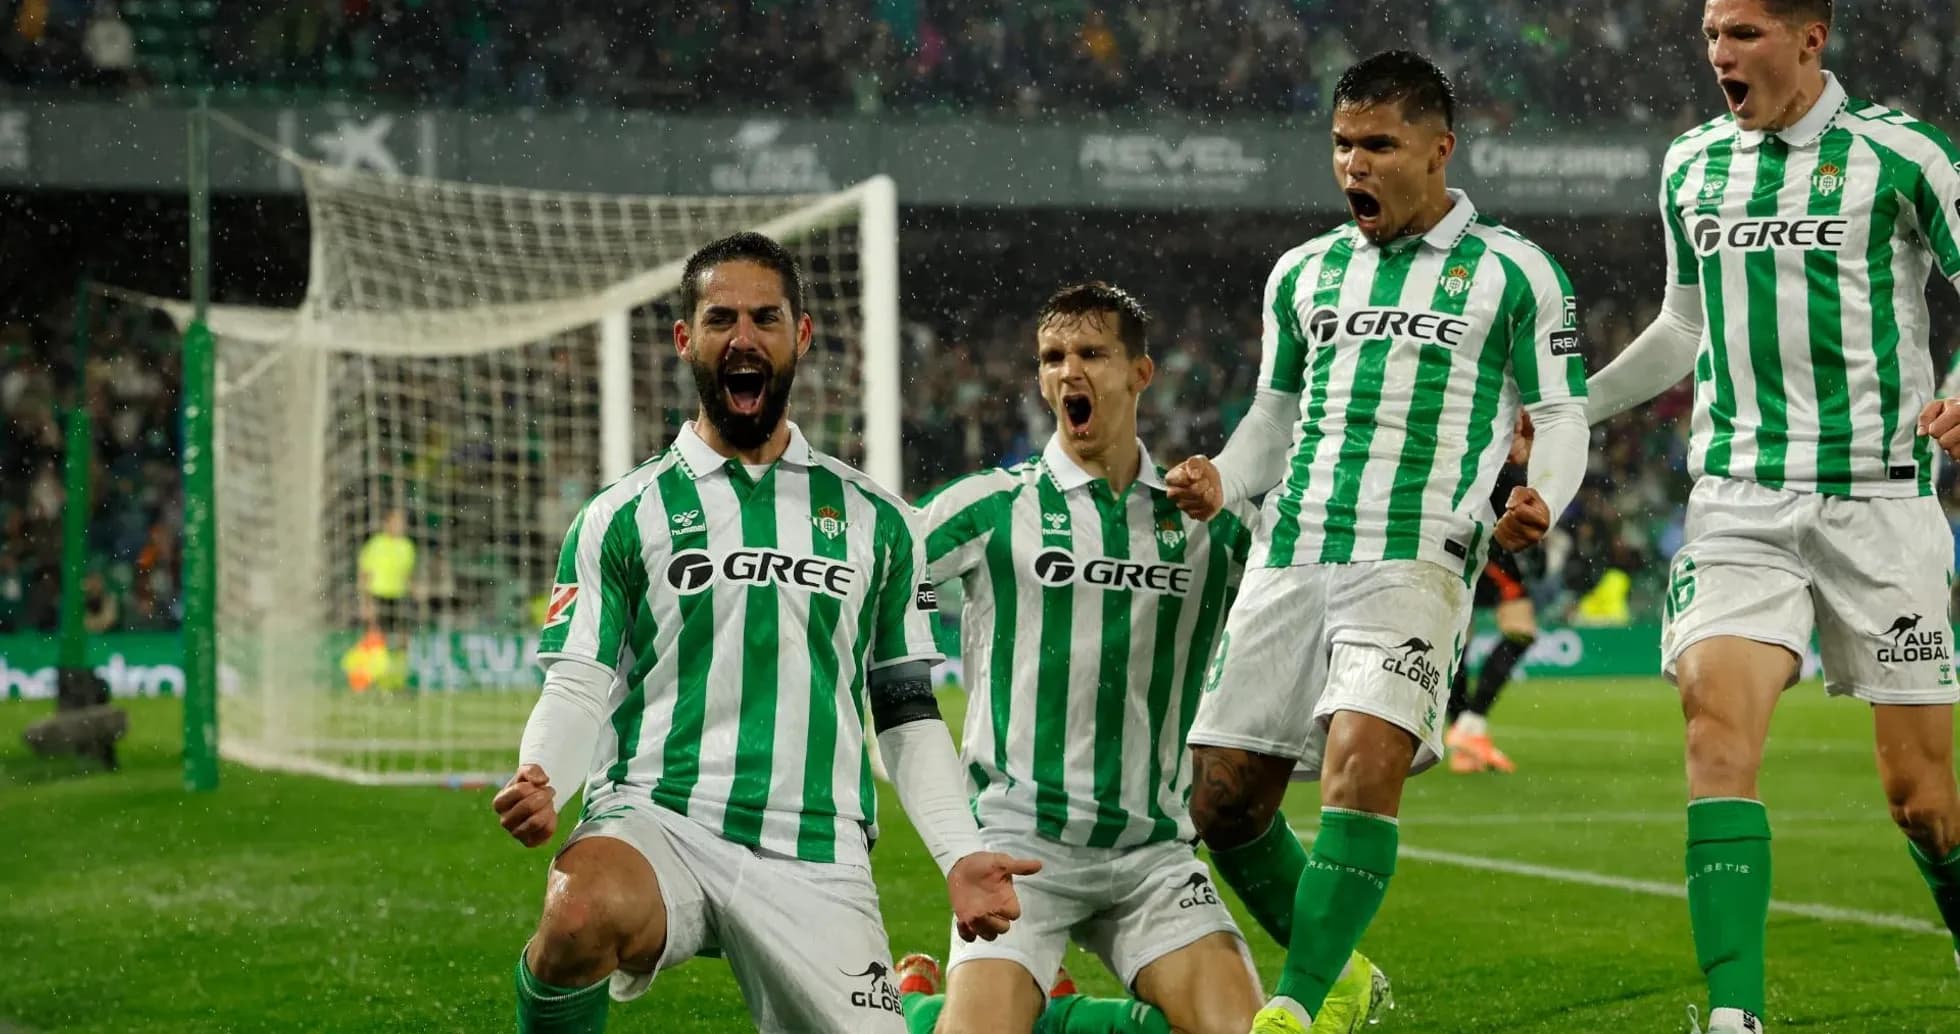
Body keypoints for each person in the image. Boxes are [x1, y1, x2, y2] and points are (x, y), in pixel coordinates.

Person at [492, 232, 1039, 1034]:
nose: (743, 338)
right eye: (720, 319)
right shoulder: (621, 515)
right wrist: (543, 773)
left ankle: (916, 1007)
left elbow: (907, 710)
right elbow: (577, 678)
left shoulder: (877, 521)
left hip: (816, 848)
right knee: (579, 912)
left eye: (765, 318)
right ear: (686, 341)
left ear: (801, 337)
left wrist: (960, 854)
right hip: (659, 815)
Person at [1163, 50, 1590, 1033]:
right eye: (1341, 144)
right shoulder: (1302, 272)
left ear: (1438, 150)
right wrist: (1221, 477)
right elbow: (1271, 419)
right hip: (1290, 551)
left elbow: (1560, 413)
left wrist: (1541, 496)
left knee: (1364, 759)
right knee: (1221, 800)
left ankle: (1297, 1005)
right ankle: (1342, 973)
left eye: (1378, 145)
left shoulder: (1513, 270)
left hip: (1415, 559)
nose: (1353, 164)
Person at [1583, 2, 1960, 1030]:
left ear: (1809, 38)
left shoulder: (1902, 155)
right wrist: (1574, 409)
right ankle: (1734, 1015)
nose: (1718, 54)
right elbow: (1682, 323)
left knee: (1921, 802)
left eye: (1743, 32)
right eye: (1710, 32)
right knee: (1714, 728)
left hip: (1878, 502)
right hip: (1737, 499)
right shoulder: (1692, 163)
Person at [894, 283, 1379, 1034]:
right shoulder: (993, 506)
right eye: (1053, 358)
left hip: (1152, 853)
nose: (1067, 373)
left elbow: (1323, 570)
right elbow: (875, 573)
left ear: (1140, 374)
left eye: (1091, 354)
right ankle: (922, 1009)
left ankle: (992, 1009)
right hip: (1020, 843)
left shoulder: (1213, 524)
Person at [1443, 462, 1539, 774]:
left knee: (1458, 643)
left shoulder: (1469, 447)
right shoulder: (1501, 457)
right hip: (1487, 546)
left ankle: (1465, 746)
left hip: (1449, 541)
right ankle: (1468, 725)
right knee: (1521, 632)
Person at [357, 507, 415, 647]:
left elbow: (408, 575)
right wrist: (365, 603)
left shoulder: (407, 546)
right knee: (376, 635)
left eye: (401, 522)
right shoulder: (375, 544)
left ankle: (401, 662)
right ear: (387, 523)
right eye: (396, 522)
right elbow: (364, 574)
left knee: (403, 636)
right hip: (378, 594)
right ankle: (375, 664)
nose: (399, 526)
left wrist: (414, 592)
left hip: (399, 595)